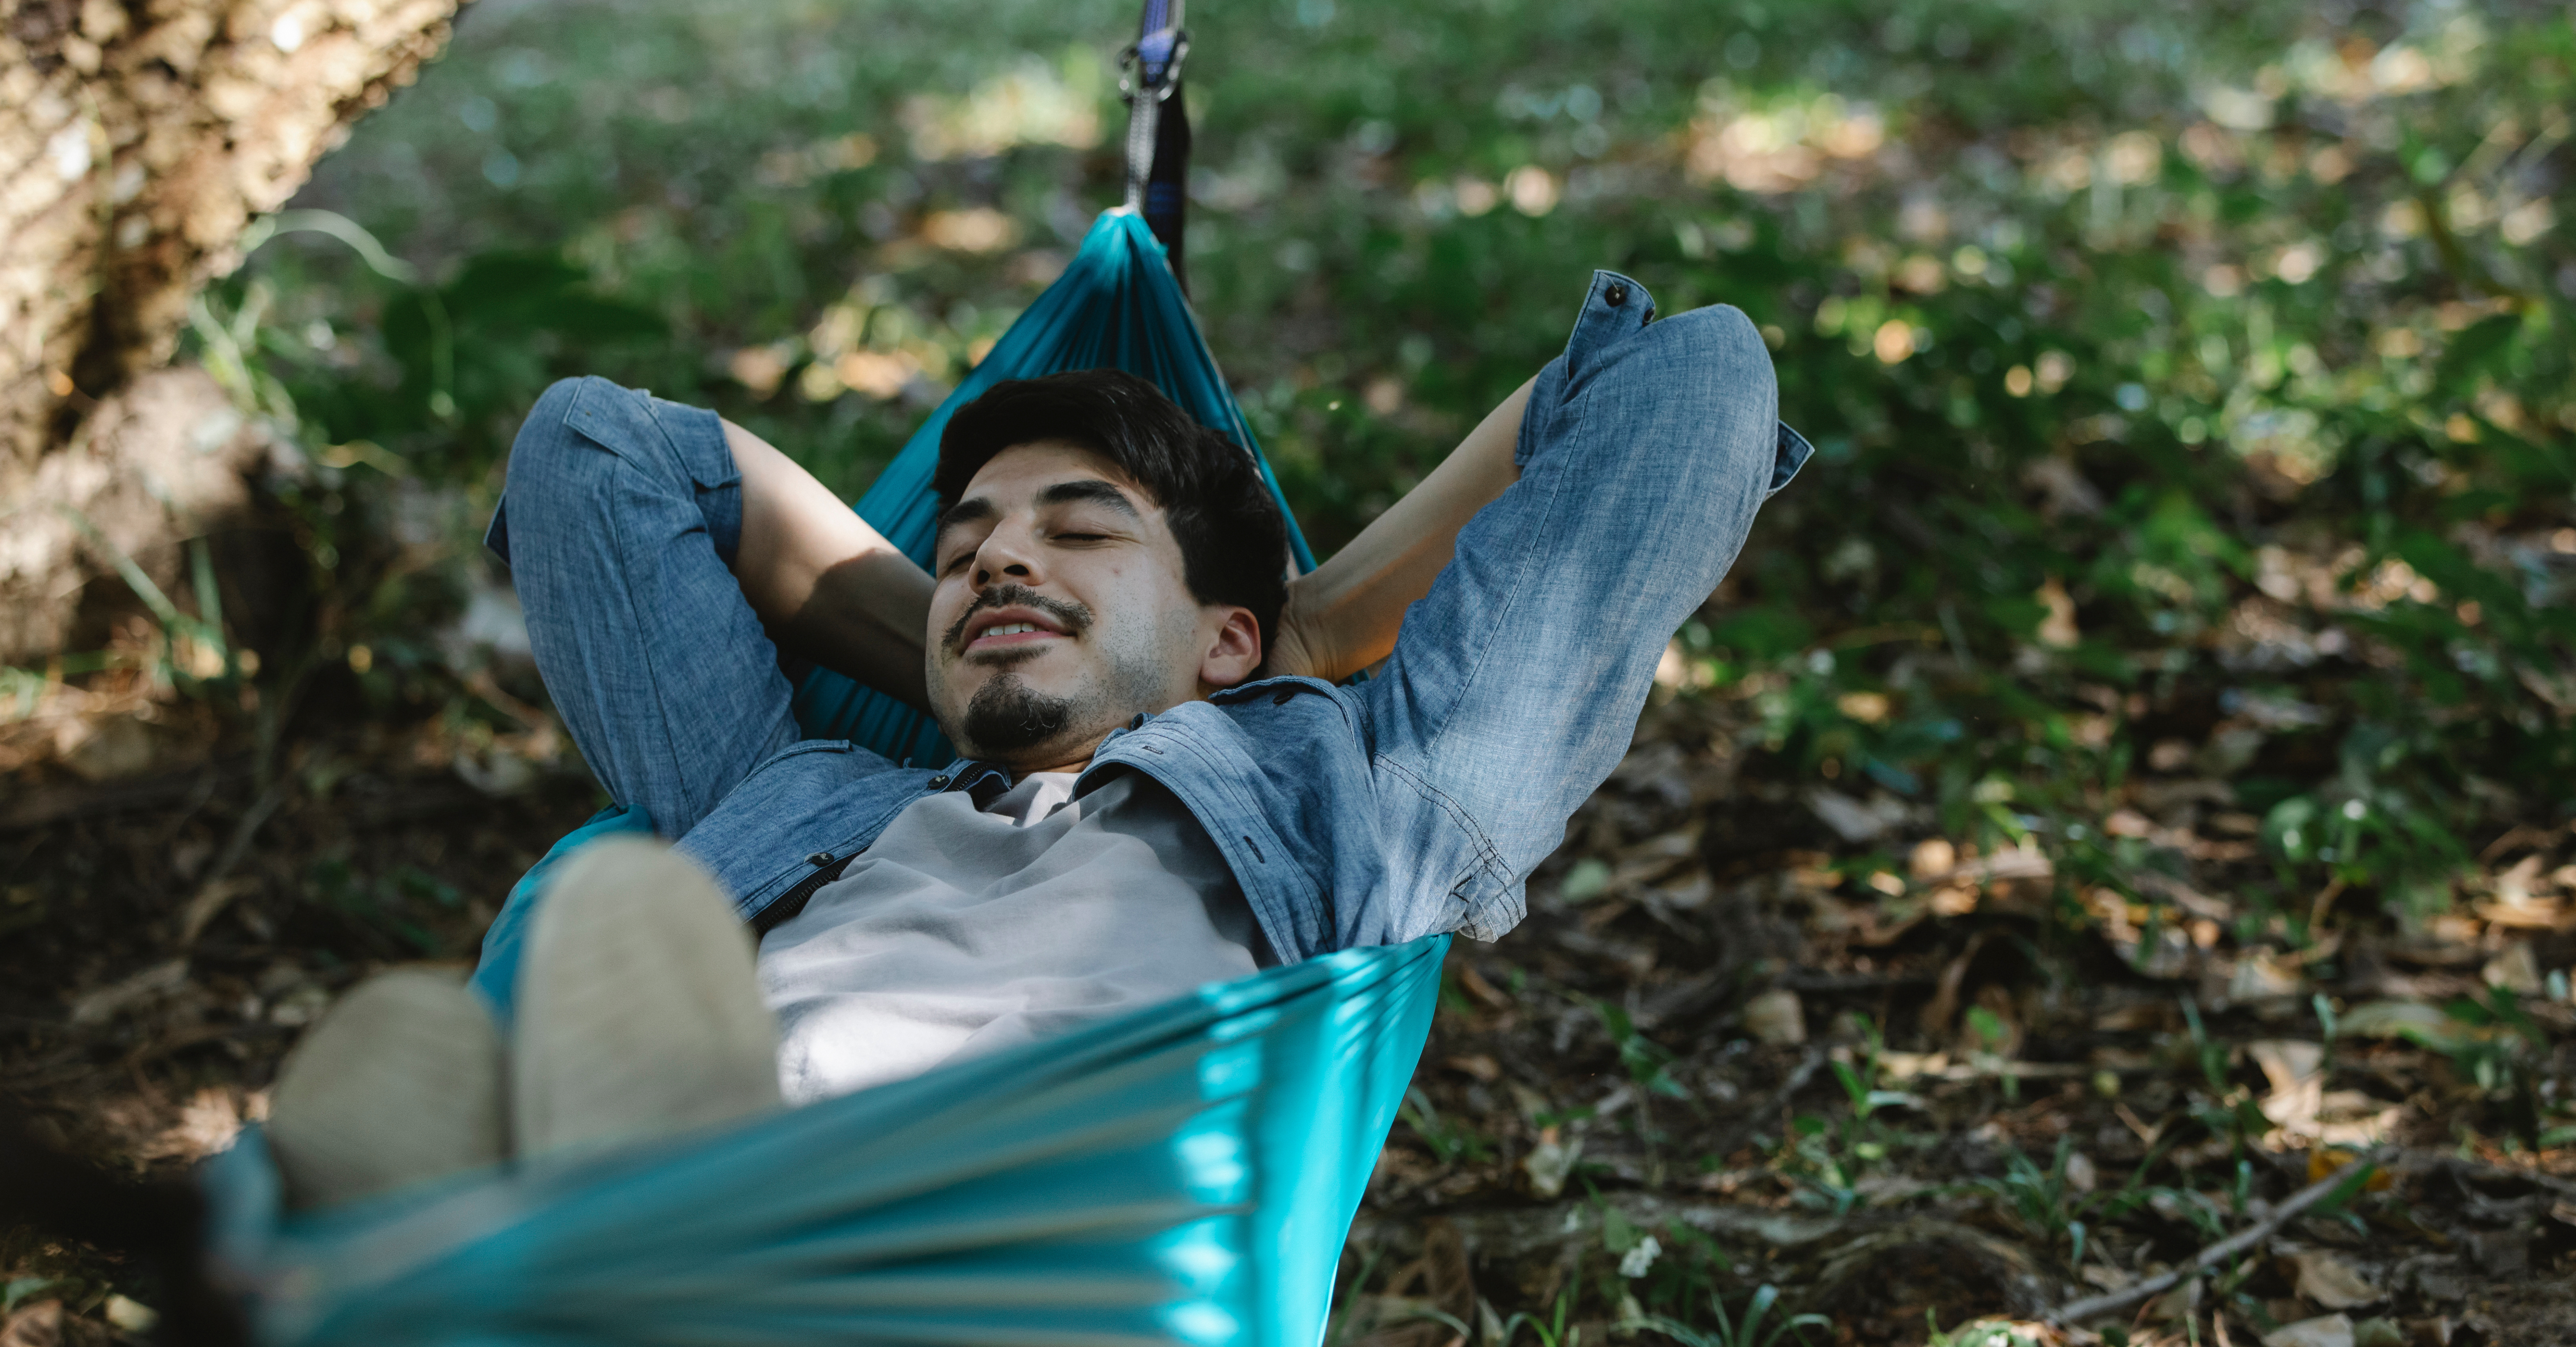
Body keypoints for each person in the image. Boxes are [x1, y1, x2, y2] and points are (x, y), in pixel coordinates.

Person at [262, 271, 1810, 1209]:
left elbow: (1692, 381)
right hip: (669, 1220)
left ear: (1228, 642)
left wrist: (1309, 636)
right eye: (965, 548)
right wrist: (980, 651)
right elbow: (594, 458)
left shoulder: (1362, 804)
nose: (999, 557)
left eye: (1081, 530)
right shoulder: (798, 802)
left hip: (1011, 1260)